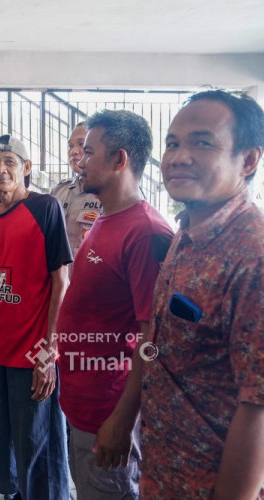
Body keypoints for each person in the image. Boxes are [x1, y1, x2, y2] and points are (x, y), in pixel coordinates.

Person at [141, 90, 264, 499]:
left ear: (248, 160)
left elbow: (259, 407)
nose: (178, 156)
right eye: (172, 143)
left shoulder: (253, 256)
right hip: (161, 470)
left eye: (202, 142)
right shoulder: (188, 230)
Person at [55, 110, 173, 499]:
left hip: (109, 409)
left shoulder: (146, 233)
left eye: (88, 151)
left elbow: (151, 339)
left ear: (120, 159)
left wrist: (122, 421)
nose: (78, 159)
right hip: (83, 401)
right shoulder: (105, 218)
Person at [0, 134, 72, 500]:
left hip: (33, 359)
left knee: (39, 452)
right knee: (1, 446)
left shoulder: (45, 209)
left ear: (26, 168)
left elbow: (62, 282)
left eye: (9, 162)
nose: (0, 169)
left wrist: (48, 356)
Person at [51, 122, 103, 267]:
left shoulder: (109, 193)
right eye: (70, 146)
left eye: (81, 145)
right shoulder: (59, 191)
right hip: (59, 284)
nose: (74, 151)